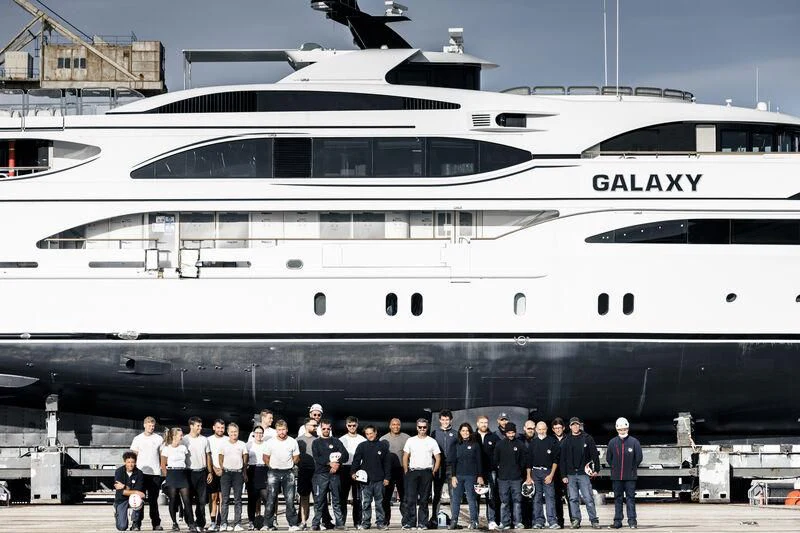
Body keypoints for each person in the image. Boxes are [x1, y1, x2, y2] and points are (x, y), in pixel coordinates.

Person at [559, 417, 600, 530]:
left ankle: (594, 521)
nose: (575, 427)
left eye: (577, 424)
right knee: (573, 499)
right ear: (570, 426)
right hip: (571, 475)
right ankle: (576, 520)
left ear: (580, 425)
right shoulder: (566, 440)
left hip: (584, 474)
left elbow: (594, 455)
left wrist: (596, 469)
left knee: (588, 498)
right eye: (573, 425)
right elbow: (562, 460)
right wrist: (563, 475)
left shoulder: (587, 438)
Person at [402, 418, 441, 530]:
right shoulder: (411, 440)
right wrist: (406, 470)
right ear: (417, 427)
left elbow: (438, 457)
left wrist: (434, 471)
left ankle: (422, 523)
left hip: (426, 472)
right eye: (420, 427)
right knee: (410, 499)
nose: (422, 429)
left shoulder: (432, 441)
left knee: (424, 500)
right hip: (413, 471)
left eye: (424, 427)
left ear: (427, 428)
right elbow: (405, 456)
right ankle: (411, 522)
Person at [311, 419, 349, 530]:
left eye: (328, 428)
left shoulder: (336, 441)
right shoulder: (316, 442)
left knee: (336, 500)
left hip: (335, 475)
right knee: (319, 501)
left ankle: (340, 524)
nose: (326, 430)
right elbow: (317, 458)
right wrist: (329, 463)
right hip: (320, 475)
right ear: (320, 429)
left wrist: (337, 464)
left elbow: (345, 456)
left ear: (330, 429)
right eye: (324, 428)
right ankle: (315, 524)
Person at [605, 418, 643, 530]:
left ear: (628, 428)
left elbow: (639, 458)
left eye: (624, 428)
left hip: (630, 477)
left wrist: (631, 468)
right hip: (616, 477)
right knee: (618, 498)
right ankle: (617, 521)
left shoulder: (634, 442)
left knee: (630, 498)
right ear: (617, 429)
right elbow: (608, 458)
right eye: (620, 429)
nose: (623, 431)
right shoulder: (612, 442)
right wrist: (615, 468)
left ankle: (632, 521)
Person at [352, 425, 391, 530]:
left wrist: (387, 477)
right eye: (367, 434)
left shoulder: (383, 446)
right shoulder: (361, 446)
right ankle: (366, 523)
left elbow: (387, 464)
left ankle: (380, 523)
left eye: (371, 433)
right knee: (366, 503)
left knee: (380, 504)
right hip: (365, 481)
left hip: (379, 480)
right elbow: (356, 461)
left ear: (376, 432)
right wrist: (353, 472)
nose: (370, 436)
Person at [264, 419, 301, 531]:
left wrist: (291, 463)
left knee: (290, 499)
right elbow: (265, 456)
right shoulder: (270, 442)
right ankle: (268, 524)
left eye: (283, 429)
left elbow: (297, 457)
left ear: (287, 429)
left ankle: (293, 524)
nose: (281, 432)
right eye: (279, 430)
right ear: (276, 430)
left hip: (288, 472)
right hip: (273, 472)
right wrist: (270, 466)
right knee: (270, 499)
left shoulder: (292, 441)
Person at [493, 423, 531, 530]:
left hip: (516, 478)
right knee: (504, 501)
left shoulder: (520, 444)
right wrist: (500, 469)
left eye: (513, 432)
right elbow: (495, 460)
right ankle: (504, 522)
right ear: (505, 433)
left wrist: (519, 469)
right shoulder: (500, 444)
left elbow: (524, 460)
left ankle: (518, 522)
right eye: (509, 433)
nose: (511, 435)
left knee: (517, 501)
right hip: (503, 478)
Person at [130, 416, 164, 531]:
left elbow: (162, 456)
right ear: (144, 425)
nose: (151, 427)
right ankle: (136, 524)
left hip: (155, 474)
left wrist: (162, 470)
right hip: (140, 474)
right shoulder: (137, 439)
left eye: (153, 426)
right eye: (149, 425)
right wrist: (132, 472)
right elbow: (134, 456)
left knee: (153, 501)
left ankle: (156, 524)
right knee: (138, 499)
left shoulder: (159, 439)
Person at [449, 423, 484, 530]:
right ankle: (454, 521)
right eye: (463, 430)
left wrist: (480, 476)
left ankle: (474, 521)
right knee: (456, 499)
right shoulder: (455, 444)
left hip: (471, 476)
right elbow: (453, 462)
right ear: (460, 432)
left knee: (471, 499)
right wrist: (453, 476)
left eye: (467, 431)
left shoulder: (475, 445)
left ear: (470, 432)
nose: (465, 433)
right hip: (458, 476)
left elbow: (479, 461)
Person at [161, 427, 195, 532]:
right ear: (174, 436)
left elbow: (187, 461)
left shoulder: (183, 448)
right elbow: (163, 464)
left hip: (182, 473)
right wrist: (167, 477)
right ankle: (174, 523)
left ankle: (191, 523)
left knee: (187, 500)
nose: (182, 436)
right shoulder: (166, 448)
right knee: (173, 499)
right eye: (180, 435)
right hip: (172, 473)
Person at [528, 422, 560, 530]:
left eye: (543, 429)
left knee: (550, 498)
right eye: (539, 429)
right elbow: (529, 462)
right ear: (536, 430)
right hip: (535, 473)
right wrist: (529, 476)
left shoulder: (552, 442)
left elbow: (555, 460)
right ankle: (539, 521)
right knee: (537, 498)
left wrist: (551, 475)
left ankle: (552, 521)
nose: (541, 431)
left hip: (548, 472)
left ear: (546, 429)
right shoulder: (533, 443)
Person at [217, 422, 249, 532]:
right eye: (231, 432)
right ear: (228, 432)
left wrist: (244, 472)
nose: (233, 433)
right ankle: (223, 523)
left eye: (235, 431)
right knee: (225, 499)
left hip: (238, 474)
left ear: (238, 432)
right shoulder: (224, 444)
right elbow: (220, 457)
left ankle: (238, 524)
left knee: (238, 499)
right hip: (226, 473)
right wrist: (222, 468)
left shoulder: (242, 444)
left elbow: (245, 458)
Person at [481, 413, 509, 531]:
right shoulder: (474, 436)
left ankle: (493, 520)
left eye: (485, 423)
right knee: (474, 498)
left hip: (491, 470)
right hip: (476, 471)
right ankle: (474, 521)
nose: (484, 424)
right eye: (482, 422)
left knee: (492, 495)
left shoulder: (493, 437)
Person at [183, 416, 212, 531]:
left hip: (202, 472)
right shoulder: (184, 439)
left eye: (201, 425)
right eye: (198, 426)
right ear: (191, 426)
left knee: (202, 500)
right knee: (188, 500)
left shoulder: (204, 439)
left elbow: (208, 456)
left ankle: (200, 523)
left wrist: (210, 472)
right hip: (188, 473)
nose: (200, 427)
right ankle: (190, 522)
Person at [380, 418, 410, 527]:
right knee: (386, 498)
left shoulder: (407, 438)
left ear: (400, 426)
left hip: (402, 470)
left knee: (404, 498)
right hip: (388, 472)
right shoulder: (383, 439)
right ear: (390, 426)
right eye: (393, 424)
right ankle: (385, 521)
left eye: (398, 424)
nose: (396, 426)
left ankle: (406, 521)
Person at [430, 410, 457, 527]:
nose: (445, 422)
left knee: (453, 494)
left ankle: (454, 519)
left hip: (452, 467)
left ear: (451, 420)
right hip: (439, 466)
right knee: (437, 494)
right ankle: (434, 518)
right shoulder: (434, 433)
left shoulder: (456, 433)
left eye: (447, 419)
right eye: (443, 419)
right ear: (440, 420)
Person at [339, 416, 366, 528]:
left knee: (358, 498)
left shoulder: (362, 440)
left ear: (357, 425)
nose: (352, 427)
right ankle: (341, 522)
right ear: (346, 426)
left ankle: (358, 522)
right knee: (342, 497)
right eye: (349, 425)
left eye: (354, 425)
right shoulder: (341, 439)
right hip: (344, 468)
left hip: (358, 469)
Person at [297, 418, 321, 530]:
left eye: (317, 425)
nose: (316, 427)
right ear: (306, 426)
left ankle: (316, 522)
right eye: (314, 425)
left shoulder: (318, 440)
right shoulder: (298, 440)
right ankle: (303, 521)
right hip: (304, 472)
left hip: (316, 472)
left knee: (318, 498)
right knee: (304, 497)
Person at [114, 451, 146, 531]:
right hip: (121, 499)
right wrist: (133, 491)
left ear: (135, 462)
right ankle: (117, 512)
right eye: (128, 462)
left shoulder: (139, 473)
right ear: (124, 462)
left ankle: (136, 523)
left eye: (132, 462)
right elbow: (121, 491)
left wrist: (125, 487)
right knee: (122, 527)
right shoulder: (119, 472)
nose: (130, 464)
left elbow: (139, 492)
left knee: (138, 499)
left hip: (133, 498)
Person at [247, 426, 270, 531]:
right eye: (257, 433)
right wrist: (244, 473)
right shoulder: (248, 445)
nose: (259, 435)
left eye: (261, 433)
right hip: (252, 470)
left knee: (266, 497)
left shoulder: (266, 445)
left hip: (264, 470)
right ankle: (251, 521)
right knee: (252, 499)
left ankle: (268, 522)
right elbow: (244, 460)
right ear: (253, 434)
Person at [208, 419, 228, 531]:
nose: (220, 430)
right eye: (218, 427)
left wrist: (223, 469)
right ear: (214, 428)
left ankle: (221, 521)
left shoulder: (227, 440)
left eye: (222, 428)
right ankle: (212, 522)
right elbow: (208, 456)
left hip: (224, 471)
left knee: (223, 497)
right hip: (213, 471)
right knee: (213, 497)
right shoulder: (208, 440)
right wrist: (213, 469)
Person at [550, 418, 569, 529]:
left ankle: (574, 520)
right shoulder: (551, 440)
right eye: (555, 428)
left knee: (570, 497)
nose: (558, 430)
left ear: (563, 428)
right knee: (556, 498)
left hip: (566, 472)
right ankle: (560, 521)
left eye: (559, 428)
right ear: (553, 429)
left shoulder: (568, 439)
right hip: (555, 473)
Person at [520, 422, 537, 528]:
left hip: (535, 472)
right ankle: (523, 521)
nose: (531, 430)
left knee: (534, 498)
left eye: (532, 428)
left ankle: (533, 521)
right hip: (521, 473)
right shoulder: (519, 441)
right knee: (522, 498)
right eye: (529, 428)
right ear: (524, 428)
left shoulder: (536, 441)